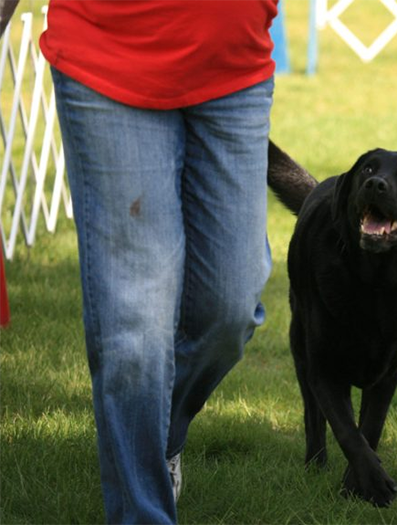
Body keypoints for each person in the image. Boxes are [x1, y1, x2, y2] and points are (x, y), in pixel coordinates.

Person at [4, 1, 280, 523]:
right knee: (135, 322)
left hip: (233, 62)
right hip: (108, 55)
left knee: (232, 305)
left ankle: (156, 439)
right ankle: (142, 508)